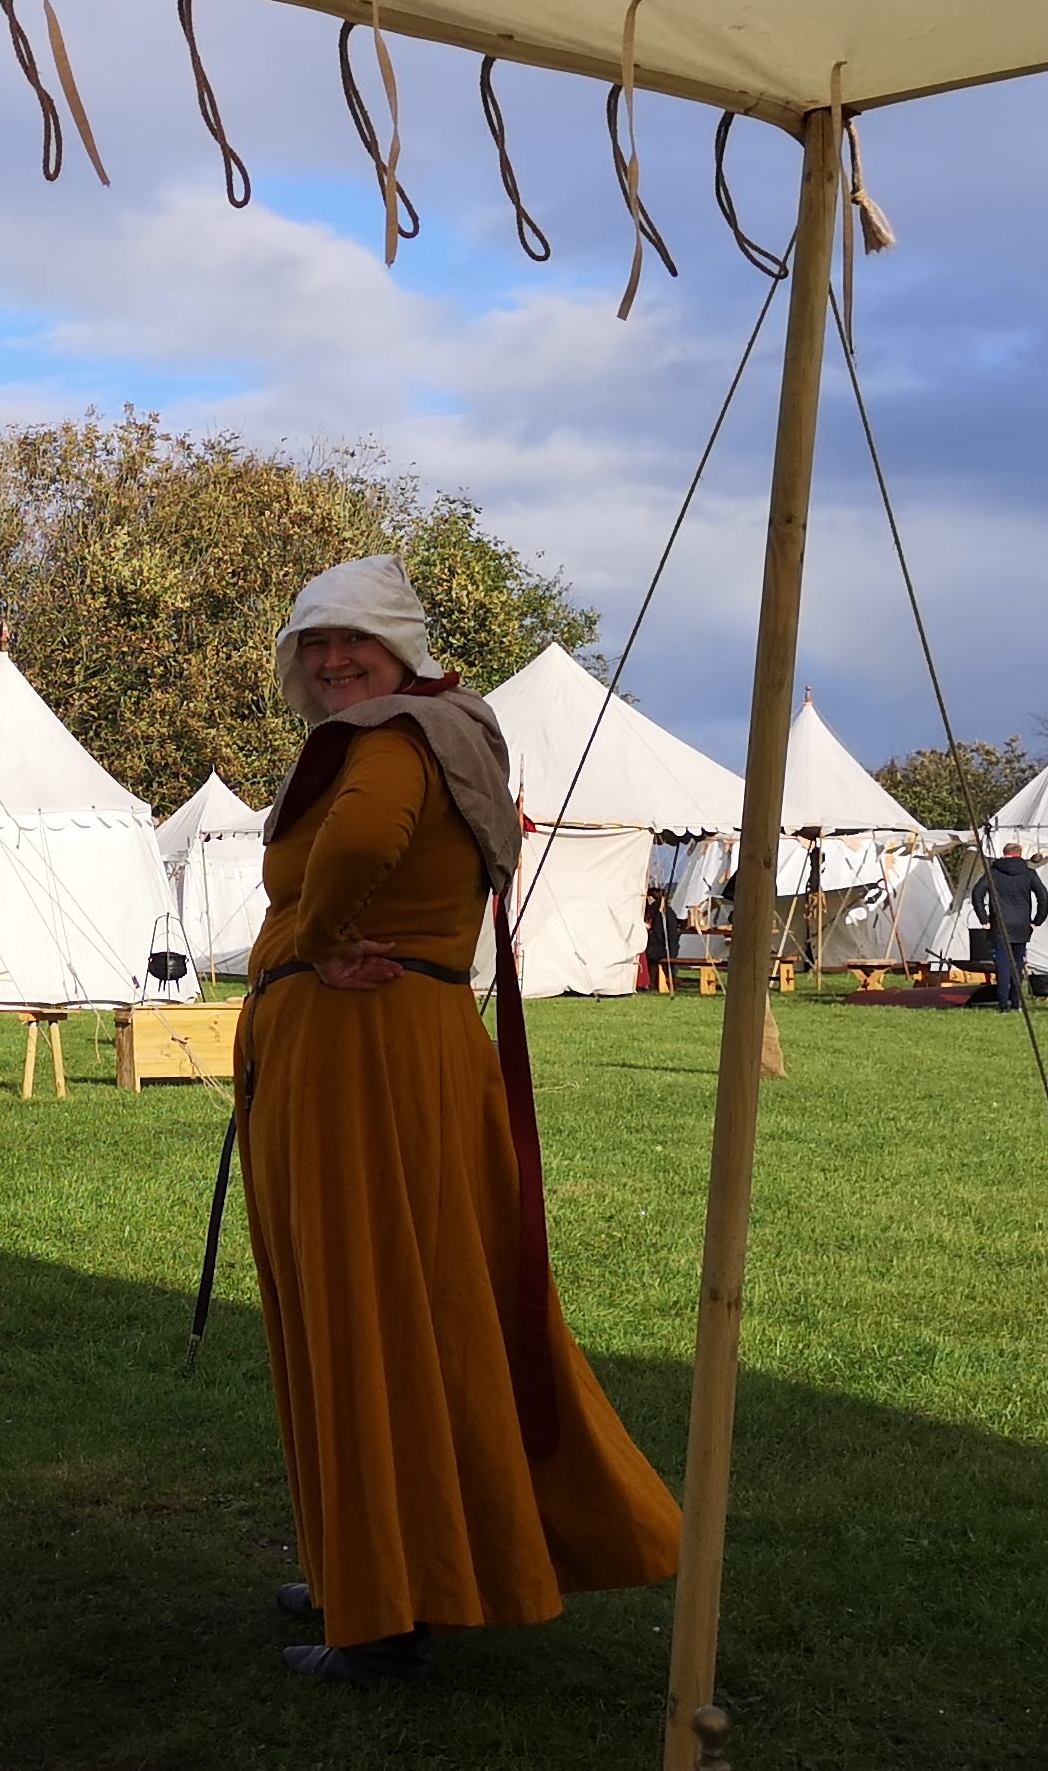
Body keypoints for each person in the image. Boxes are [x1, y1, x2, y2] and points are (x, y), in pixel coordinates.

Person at [240, 555, 679, 1688]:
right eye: (317, 647)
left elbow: (355, 847)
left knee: (364, 1305)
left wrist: (312, 942)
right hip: (402, 1053)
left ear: (402, 654)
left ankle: (383, 1605)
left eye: (357, 646)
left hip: (363, 1060)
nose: (336, 664)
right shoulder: (442, 727)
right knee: (400, 1302)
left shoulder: (392, 740)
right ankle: (367, 1560)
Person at [969, 842, 1048, 1013]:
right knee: (1018, 964)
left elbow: (977, 893)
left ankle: (1003, 1003)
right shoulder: (1029, 873)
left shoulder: (993, 873)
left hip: (1000, 924)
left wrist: (984, 919)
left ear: (1004, 853)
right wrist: (1037, 920)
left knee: (1003, 965)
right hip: (1021, 924)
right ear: (1020, 854)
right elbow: (1043, 896)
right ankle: (1016, 1002)